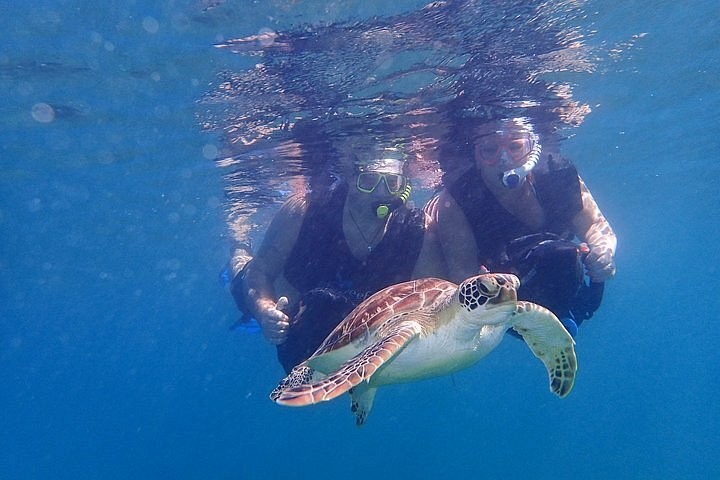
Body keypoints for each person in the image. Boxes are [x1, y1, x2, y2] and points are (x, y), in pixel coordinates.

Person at [229, 145, 442, 372]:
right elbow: (259, 272)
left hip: (342, 326)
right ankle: (238, 243)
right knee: (241, 274)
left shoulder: (418, 231)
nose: (382, 193)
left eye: (392, 183)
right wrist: (264, 311)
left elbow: (433, 302)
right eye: (368, 181)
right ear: (350, 178)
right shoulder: (304, 210)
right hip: (288, 302)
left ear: (404, 185)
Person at [427, 117, 617, 335]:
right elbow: (462, 275)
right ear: (477, 158)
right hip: (506, 285)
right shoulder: (457, 201)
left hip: (553, 274)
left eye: (516, 147)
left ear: (532, 150)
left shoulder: (557, 173)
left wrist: (604, 253)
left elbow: (595, 226)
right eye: (490, 151)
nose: (504, 160)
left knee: (559, 255)